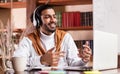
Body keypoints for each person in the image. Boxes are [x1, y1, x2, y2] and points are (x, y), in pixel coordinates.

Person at [13, 4, 92, 68]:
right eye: (47, 17)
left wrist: (83, 60)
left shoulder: (65, 37)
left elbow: (74, 63)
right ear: (37, 21)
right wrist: (41, 60)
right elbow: (17, 62)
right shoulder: (28, 40)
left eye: (54, 16)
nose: (53, 20)